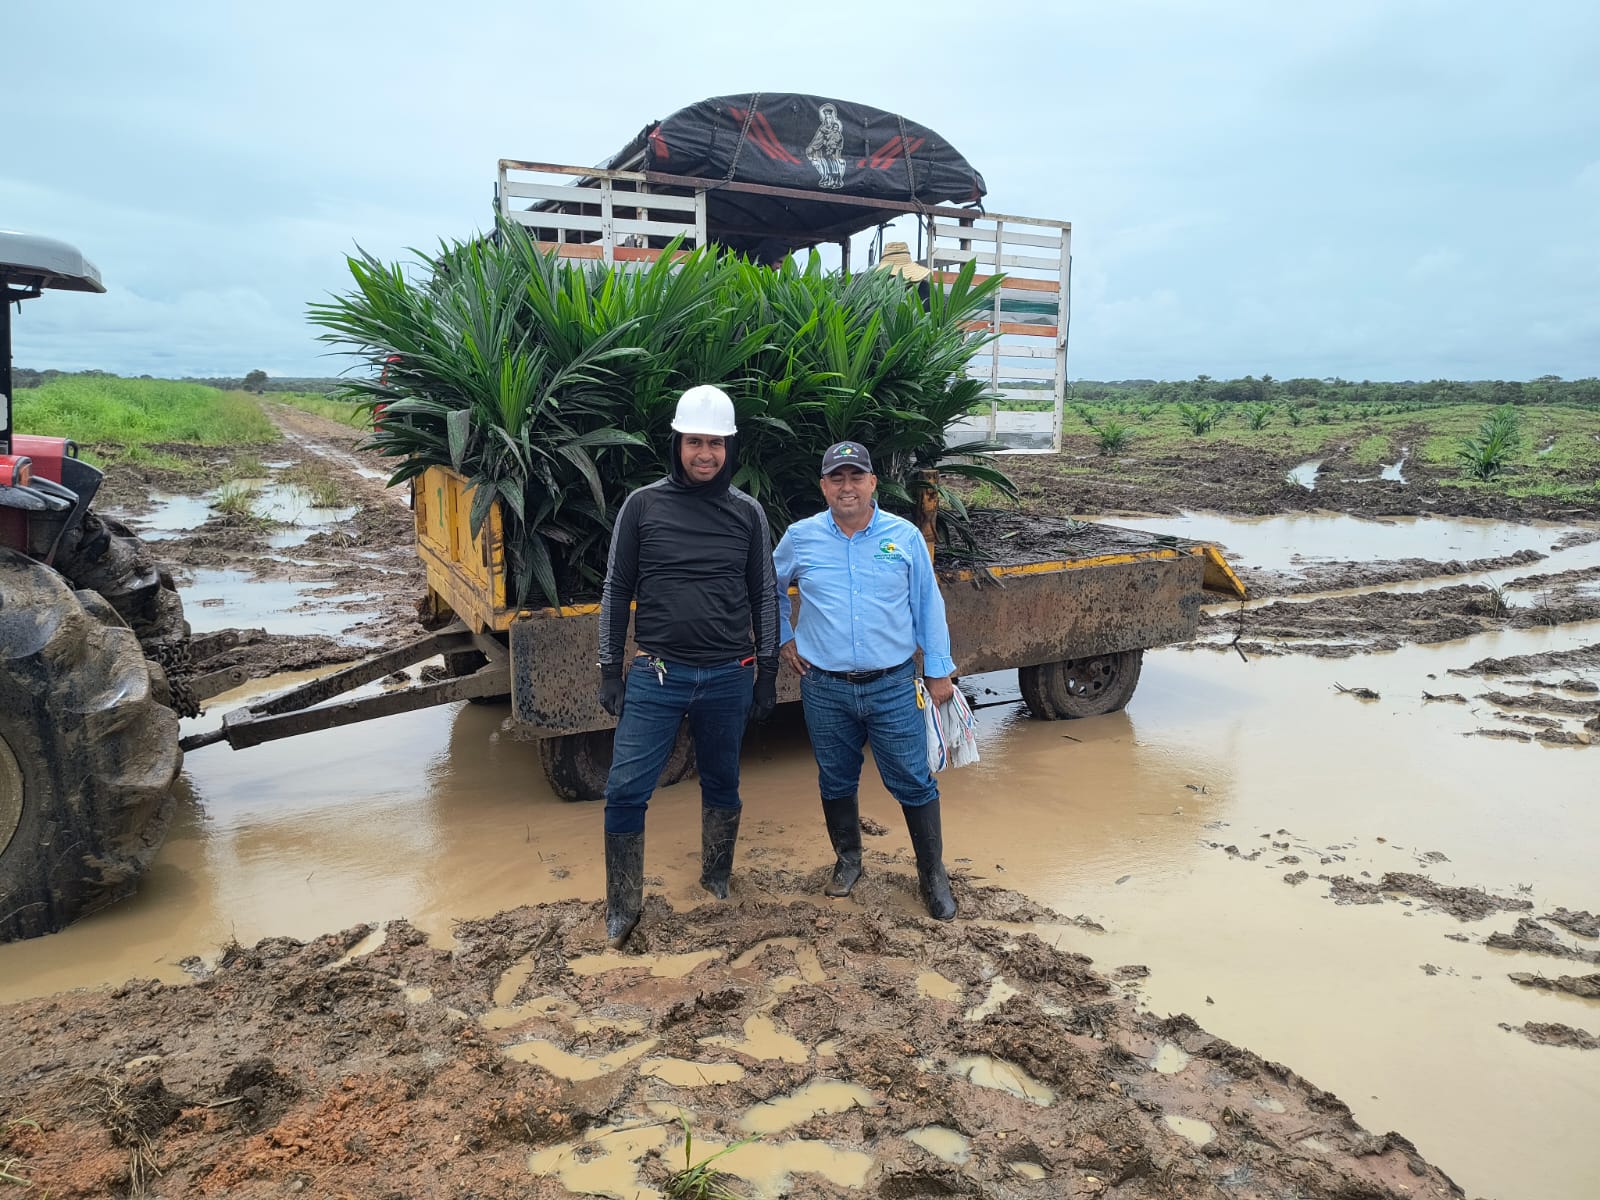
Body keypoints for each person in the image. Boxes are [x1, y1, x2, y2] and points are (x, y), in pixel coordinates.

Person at [597, 385, 780, 948]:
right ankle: (623, 905)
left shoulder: (747, 514)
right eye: (696, 441)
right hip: (657, 675)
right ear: (678, 442)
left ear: (729, 448)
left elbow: (765, 595)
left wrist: (767, 672)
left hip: (728, 675)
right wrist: (609, 666)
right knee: (626, 788)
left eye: (717, 443)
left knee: (723, 783)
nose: (706, 454)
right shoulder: (643, 506)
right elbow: (616, 588)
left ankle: (717, 879)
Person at [773, 440, 958, 920]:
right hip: (824, 685)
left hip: (893, 684)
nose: (847, 486)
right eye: (837, 478)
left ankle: (932, 876)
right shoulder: (800, 537)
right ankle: (848, 861)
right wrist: (782, 636)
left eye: (856, 477)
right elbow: (766, 587)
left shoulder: (904, 536)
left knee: (914, 781)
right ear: (824, 486)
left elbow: (927, 603)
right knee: (835, 778)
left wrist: (938, 669)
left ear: (873, 483)